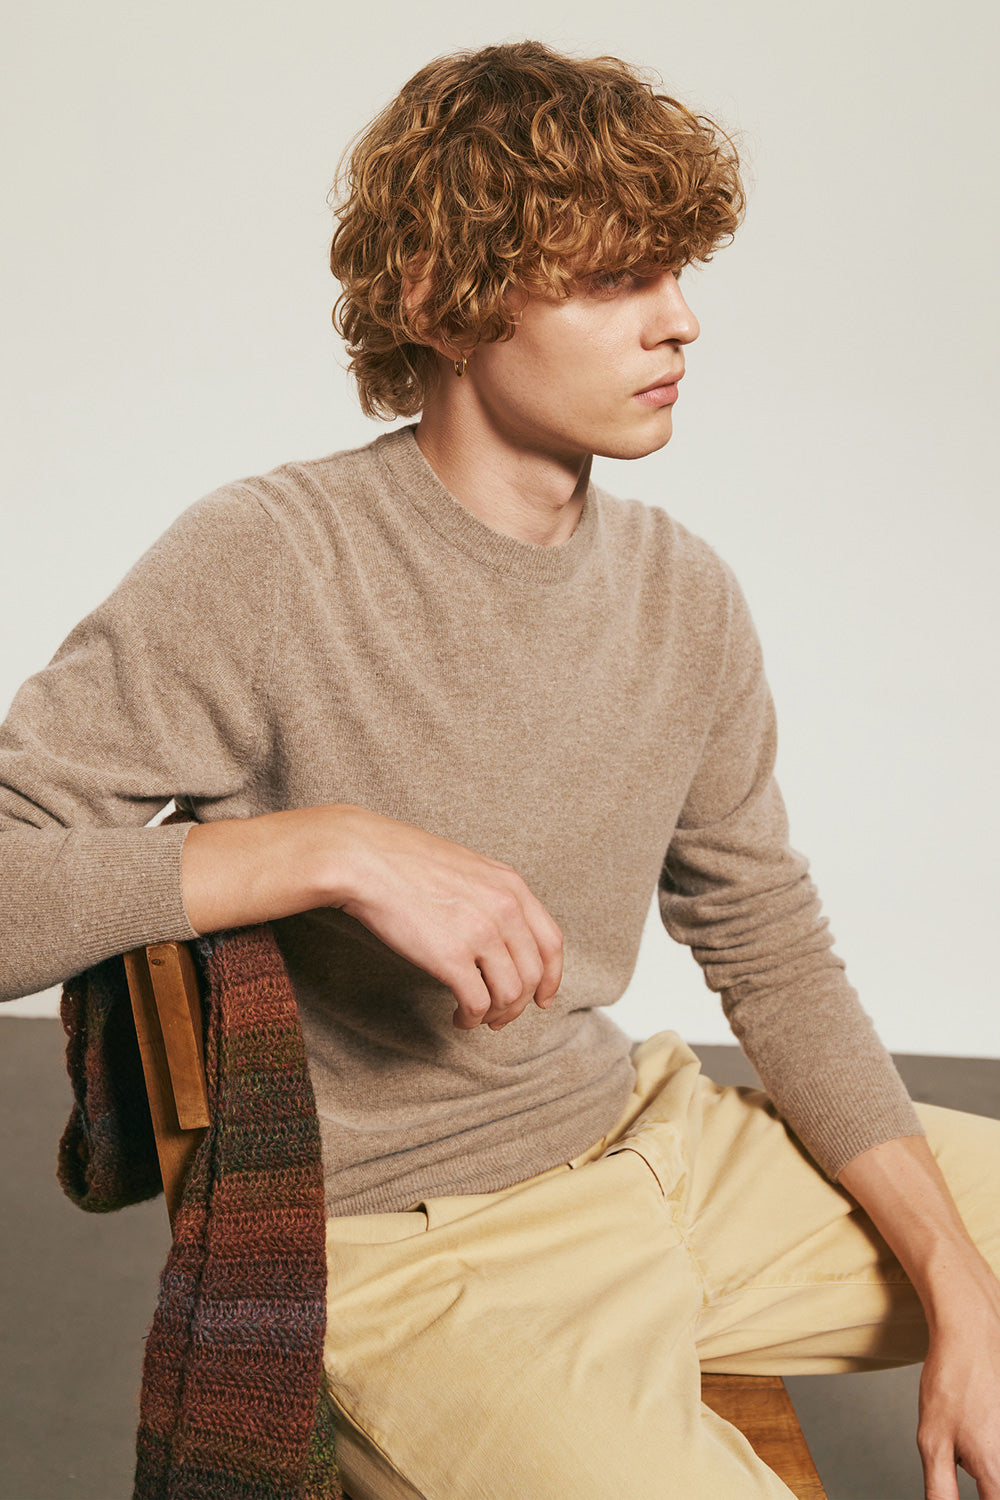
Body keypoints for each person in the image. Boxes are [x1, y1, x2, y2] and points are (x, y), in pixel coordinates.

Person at [1, 38, 998, 1500]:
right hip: (428, 1252)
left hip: (653, 1141)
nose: (681, 320)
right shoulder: (270, 561)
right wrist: (325, 847)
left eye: (678, 271)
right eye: (616, 279)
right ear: (440, 299)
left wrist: (962, 1287)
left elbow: (772, 948)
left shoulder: (686, 593)